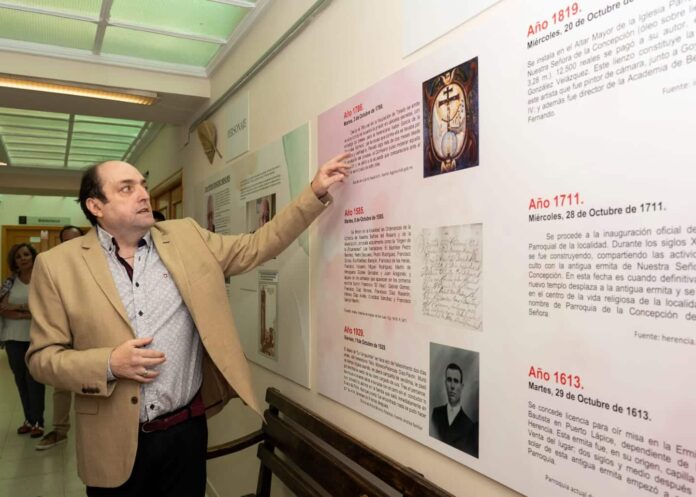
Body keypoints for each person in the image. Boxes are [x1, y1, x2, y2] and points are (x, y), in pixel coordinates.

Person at [27, 154, 349, 496]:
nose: (143, 194)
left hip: (185, 435)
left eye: (143, 186)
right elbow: (41, 359)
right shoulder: (56, 266)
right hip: (111, 442)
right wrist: (108, 364)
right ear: (96, 206)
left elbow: (256, 246)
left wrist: (313, 193)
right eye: (126, 188)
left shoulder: (186, 237)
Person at [36, 225, 84, 450]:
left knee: (96, 380)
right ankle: (60, 430)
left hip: (91, 331)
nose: (71, 245)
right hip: (64, 331)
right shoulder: (53, 266)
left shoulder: (97, 262)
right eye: (67, 241)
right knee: (61, 384)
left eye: (76, 239)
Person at [1, 243, 45, 438]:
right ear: (14, 261)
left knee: (35, 379)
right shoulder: (9, 282)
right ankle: (28, 419)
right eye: (18, 256)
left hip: (36, 337)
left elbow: (44, 309)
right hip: (12, 337)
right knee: (20, 380)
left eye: (26, 254)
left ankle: (38, 421)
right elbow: (2, 308)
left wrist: (17, 309)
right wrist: (27, 312)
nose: (23, 258)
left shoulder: (42, 279)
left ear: (33, 257)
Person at [430, 363, 478, 458]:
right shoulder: (436, 413)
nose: (452, 386)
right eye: (449, 380)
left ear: (462, 386)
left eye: (456, 381)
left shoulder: (469, 426)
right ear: (445, 383)